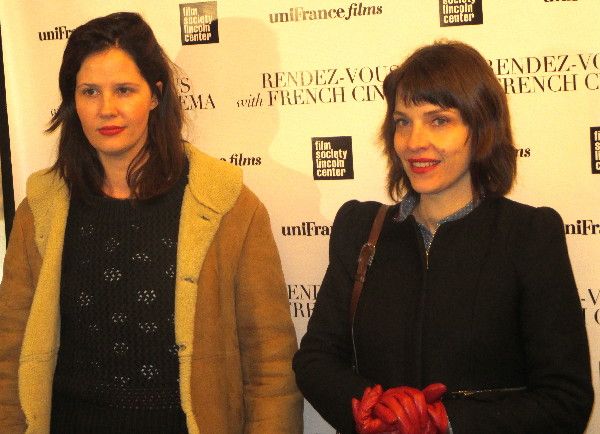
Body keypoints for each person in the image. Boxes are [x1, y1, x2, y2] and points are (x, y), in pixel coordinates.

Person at [0, 12, 302, 434]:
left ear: (156, 95)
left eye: (124, 90)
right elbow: (11, 352)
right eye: (90, 92)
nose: (107, 109)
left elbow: (270, 363)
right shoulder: (40, 209)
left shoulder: (229, 206)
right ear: (72, 101)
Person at [293, 40, 593, 434]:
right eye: (403, 121)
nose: (414, 141)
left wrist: (446, 421)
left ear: (481, 128)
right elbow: (315, 360)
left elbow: (565, 399)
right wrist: (377, 408)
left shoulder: (529, 236)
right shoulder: (360, 228)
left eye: (439, 120)